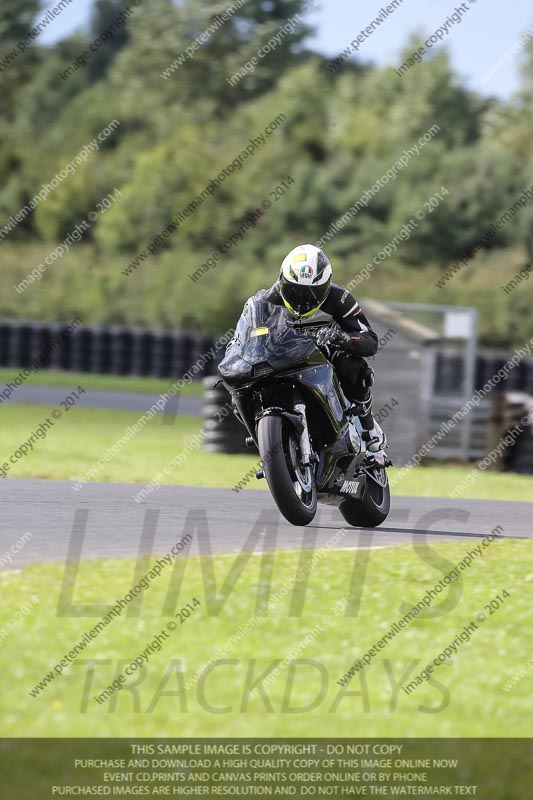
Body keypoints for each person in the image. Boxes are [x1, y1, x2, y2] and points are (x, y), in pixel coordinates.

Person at [239, 243, 387, 458]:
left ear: (326, 286)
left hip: (323, 358)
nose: (302, 300)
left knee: (356, 368)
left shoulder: (340, 298)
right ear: (282, 281)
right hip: (281, 360)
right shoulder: (263, 301)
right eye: (294, 291)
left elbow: (369, 341)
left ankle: (368, 427)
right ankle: (263, 431)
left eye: (313, 293)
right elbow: (243, 336)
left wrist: (342, 338)